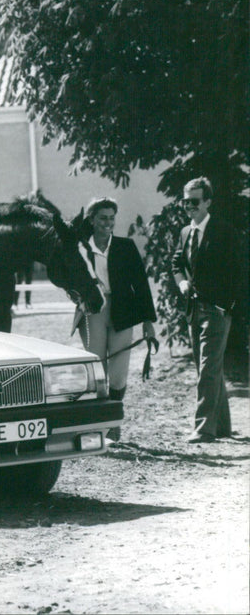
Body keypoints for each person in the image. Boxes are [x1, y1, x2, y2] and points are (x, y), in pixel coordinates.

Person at [74, 197, 157, 441]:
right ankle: (99, 425)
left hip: (123, 312)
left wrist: (148, 322)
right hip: (92, 311)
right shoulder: (80, 248)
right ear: (91, 219)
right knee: (96, 370)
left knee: (118, 373)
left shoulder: (126, 246)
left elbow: (141, 285)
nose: (108, 223)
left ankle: (113, 421)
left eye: (111, 218)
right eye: (102, 218)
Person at [172, 177, 247, 444]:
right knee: (208, 368)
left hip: (216, 311)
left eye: (194, 202)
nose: (189, 207)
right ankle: (223, 427)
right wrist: (181, 282)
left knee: (207, 370)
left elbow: (238, 272)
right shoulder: (185, 232)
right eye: (185, 201)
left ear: (207, 202)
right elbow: (176, 262)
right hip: (194, 310)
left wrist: (226, 305)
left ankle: (204, 429)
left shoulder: (224, 231)